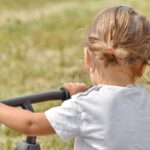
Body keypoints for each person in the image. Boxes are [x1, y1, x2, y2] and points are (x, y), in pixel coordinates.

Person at [0, 5, 150, 150]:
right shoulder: (145, 101)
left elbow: (31, 124)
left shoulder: (86, 106)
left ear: (88, 58)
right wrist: (80, 97)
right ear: (142, 66)